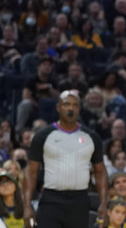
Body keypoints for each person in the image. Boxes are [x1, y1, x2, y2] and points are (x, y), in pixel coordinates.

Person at [23, 90, 109, 228]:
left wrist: (104, 204)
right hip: (51, 199)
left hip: (79, 200)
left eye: (75, 105)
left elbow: (100, 172)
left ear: (79, 108)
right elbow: (31, 172)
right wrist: (27, 206)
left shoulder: (91, 137)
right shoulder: (43, 136)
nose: (71, 108)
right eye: (66, 104)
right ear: (58, 107)